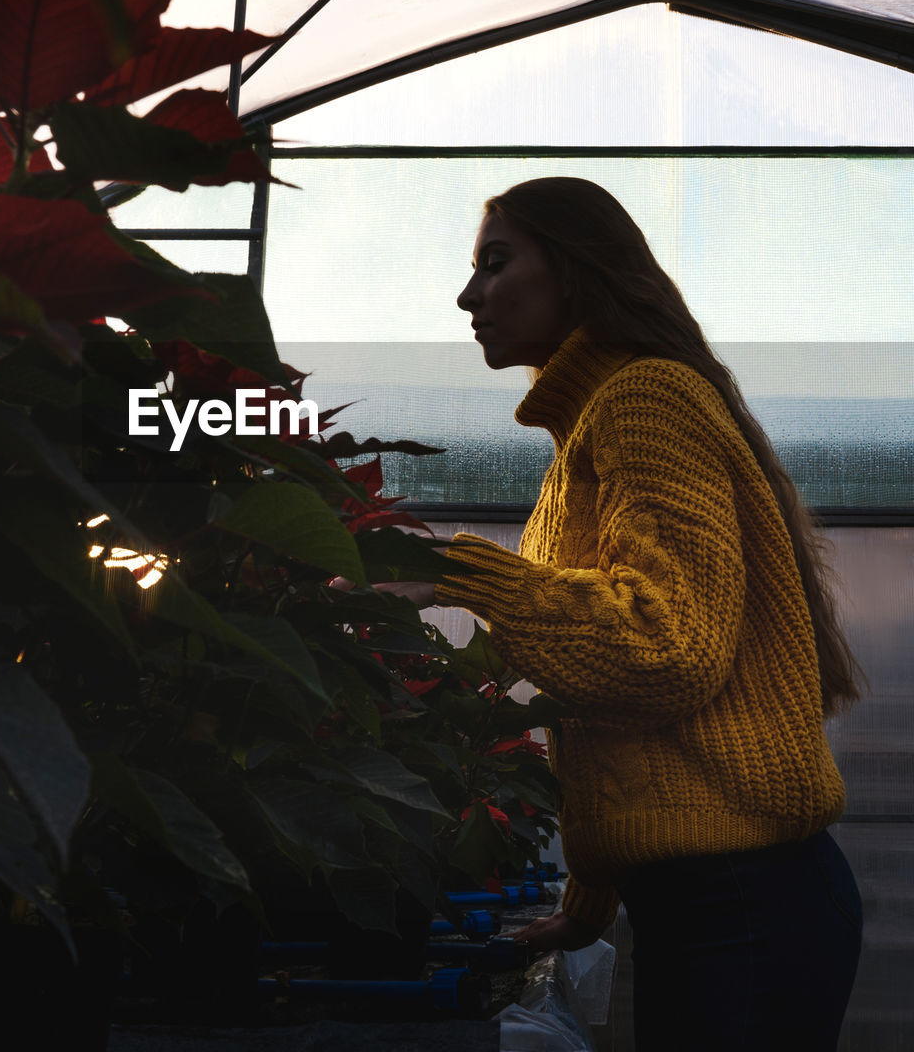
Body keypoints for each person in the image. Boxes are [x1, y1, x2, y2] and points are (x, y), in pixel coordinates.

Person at [370, 177, 865, 1050]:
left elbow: (665, 649)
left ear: (575, 270)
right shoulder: (598, 425)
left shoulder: (646, 399)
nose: (468, 294)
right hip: (716, 897)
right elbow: (624, 722)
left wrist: (452, 571)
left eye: (495, 262)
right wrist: (588, 902)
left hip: (744, 900)